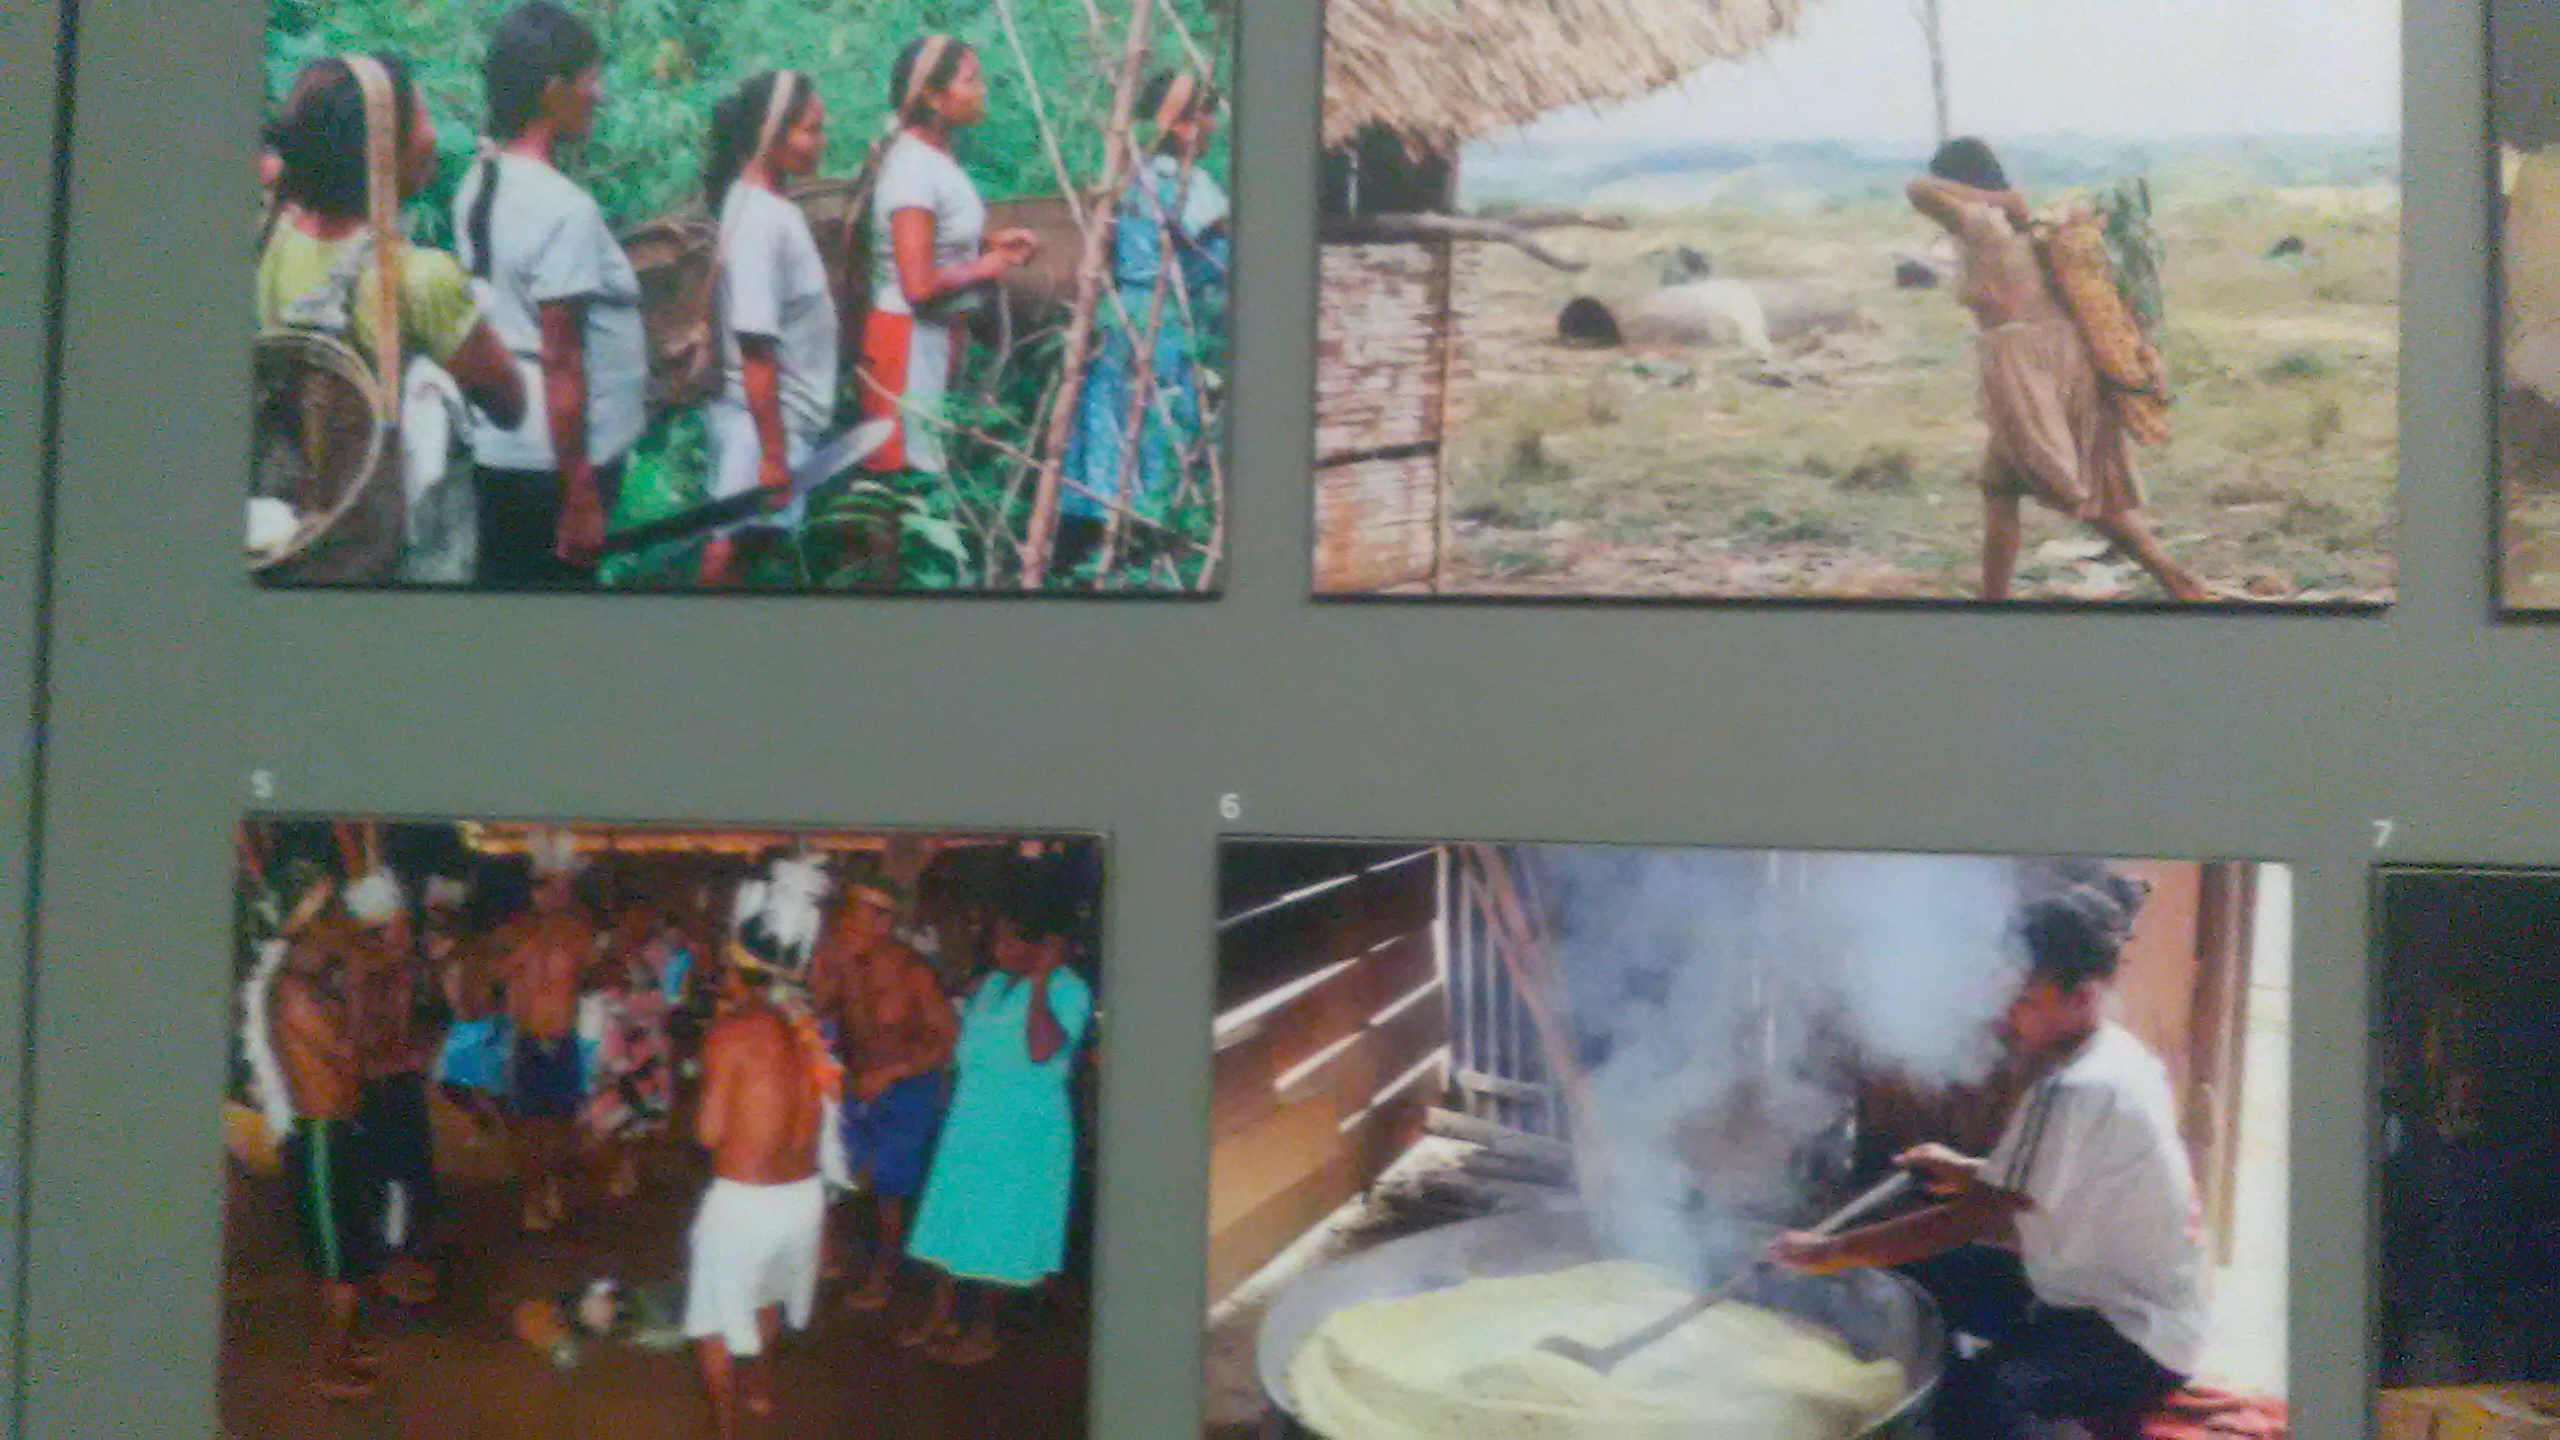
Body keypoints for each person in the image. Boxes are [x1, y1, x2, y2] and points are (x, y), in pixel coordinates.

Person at [1770, 875, 2206, 1439]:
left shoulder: (2075, 1089)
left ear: (2083, 997)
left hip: (2130, 1336)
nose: (2007, 1017)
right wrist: (1966, 1172)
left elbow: (1978, 1216)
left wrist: (1831, 1250)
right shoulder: (2117, 1055)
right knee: (1915, 1274)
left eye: (2025, 1001)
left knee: (1969, 1403)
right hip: (2103, 1297)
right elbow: (2044, 1186)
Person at [1906, 138, 2210, 603]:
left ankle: (2175, 579)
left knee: (2069, 489)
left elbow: (1916, 189)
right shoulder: (2016, 225)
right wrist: (2005, 199)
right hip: (2046, 353)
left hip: (2026, 362)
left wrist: (1996, 199)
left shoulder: (1983, 223)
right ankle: (1994, 598)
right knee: (1999, 488)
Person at [452, 2, 646, 588]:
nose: (600, 94)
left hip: (499, 447)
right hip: (551, 463)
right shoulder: (565, 207)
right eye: (591, 79)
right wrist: (579, 492)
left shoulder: (478, 180)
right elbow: (561, 358)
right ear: (555, 90)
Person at [258, 55, 525, 448]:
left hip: (305, 488)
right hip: (394, 502)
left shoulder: (276, 237)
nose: (432, 133)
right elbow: (510, 405)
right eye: (422, 114)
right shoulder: (418, 278)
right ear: (383, 149)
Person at [900, 856, 1094, 1365]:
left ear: (1043, 946)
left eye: (1011, 939)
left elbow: (1040, 1049)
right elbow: (965, 1049)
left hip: (1022, 1131)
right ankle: (938, 1315)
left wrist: (1042, 981)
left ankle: (983, 1331)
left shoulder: (1068, 989)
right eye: (998, 937)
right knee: (949, 1219)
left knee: (997, 1232)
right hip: (972, 1121)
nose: (998, 947)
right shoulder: (989, 985)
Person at [1058, 70, 1228, 581]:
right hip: (1162, 316)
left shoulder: (1131, 173)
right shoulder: (1184, 183)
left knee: (1110, 423)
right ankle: (1139, 544)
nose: (1214, 125)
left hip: (1121, 315)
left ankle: (1091, 539)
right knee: (1156, 425)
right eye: (1207, 114)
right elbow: (1211, 238)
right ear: (1184, 126)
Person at [856, 36, 1040, 483]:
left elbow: (932, 241)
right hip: (906, 341)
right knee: (901, 479)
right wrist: (988, 266)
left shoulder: (935, 158)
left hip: (932, 337)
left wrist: (987, 243)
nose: (981, 90)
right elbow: (917, 285)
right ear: (933, 97)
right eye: (970, 80)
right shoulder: (913, 168)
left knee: (922, 468)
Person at [683, 925, 826, 1437]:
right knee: (767, 1296)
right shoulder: (805, 1028)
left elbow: (708, 1132)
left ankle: (725, 1428)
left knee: (712, 1323)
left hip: (746, 1202)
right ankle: (760, 1389)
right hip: (803, 1198)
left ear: (736, 973)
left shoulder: (732, 1032)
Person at [699, 69, 835, 587]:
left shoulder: (764, 205)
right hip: (761, 424)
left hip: (771, 420)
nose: (821, 142)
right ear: (771, 135)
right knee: (731, 550)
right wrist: (773, 455)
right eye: (811, 129)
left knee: (746, 548)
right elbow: (756, 345)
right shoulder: (762, 219)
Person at [809, 872, 957, 1311]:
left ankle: (884, 1276)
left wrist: (894, 1071)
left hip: (909, 1085)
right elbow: (819, 1009)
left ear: (885, 924)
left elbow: (946, 1038)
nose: (850, 924)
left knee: (890, 1191)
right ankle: (831, 1259)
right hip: (860, 1083)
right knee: (837, 1171)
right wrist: (826, 969)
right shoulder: (847, 964)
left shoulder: (913, 973)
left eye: (862, 916)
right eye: (848, 914)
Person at [268, 877, 391, 1401]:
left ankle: (344, 1346)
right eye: (328, 934)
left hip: (338, 1130)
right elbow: (348, 1051)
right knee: (336, 1259)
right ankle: (327, 1362)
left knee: (353, 1247)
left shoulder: (316, 987)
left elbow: (358, 1049)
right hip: (319, 1139)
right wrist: (360, 987)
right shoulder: (292, 991)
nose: (340, 943)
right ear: (304, 941)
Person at [492, 841, 605, 1231]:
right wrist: (521, 957)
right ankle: (531, 1198)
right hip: (526, 1039)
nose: (553, 893)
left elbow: (596, 973)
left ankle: (552, 1189)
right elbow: (489, 975)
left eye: (559, 885)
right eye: (545, 885)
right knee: (527, 1127)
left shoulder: (578, 931)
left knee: (560, 1124)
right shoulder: (514, 930)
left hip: (562, 1038)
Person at [344, 872, 441, 1306]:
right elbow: (359, 1039)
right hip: (378, 1088)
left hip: (398, 1084)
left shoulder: (400, 967)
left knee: (410, 1178)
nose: (409, 930)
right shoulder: (364, 970)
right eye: (402, 921)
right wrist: (397, 1058)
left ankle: (399, 1261)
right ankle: (388, 1267)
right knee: (388, 1181)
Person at [582, 903, 677, 1201]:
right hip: (613, 1040)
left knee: (645, 1110)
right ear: (621, 916)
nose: (640, 921)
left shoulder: (660, 952)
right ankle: (613, 1170)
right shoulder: (604, 947)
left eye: (645, 915)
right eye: (633, 914)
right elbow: (589, 986)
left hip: (647, 1041)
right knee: (611, 1108)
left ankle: (630, 1167)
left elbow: (669, 997)